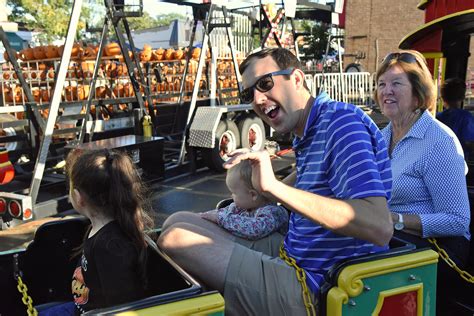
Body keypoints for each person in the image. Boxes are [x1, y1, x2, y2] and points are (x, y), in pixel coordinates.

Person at [158, 47, 393, 315]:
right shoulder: (307, 129)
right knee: (177, 221)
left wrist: (274, 187)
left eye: (265, 83)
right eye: (250, 93)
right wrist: (256, 181)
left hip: (319, 283)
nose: (258, 99)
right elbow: (306, 186)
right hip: (294, 251)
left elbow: (379, 226)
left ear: (296, 79)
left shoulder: (342, 124)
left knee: (176, 239)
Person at [374, 50, 471, 313]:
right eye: (382, 84)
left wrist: (398, 219)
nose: (386, 91)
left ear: (418, 93)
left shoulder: (438, 141)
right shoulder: (381, 137)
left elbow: (458, 220)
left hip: (439, 251)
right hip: (394, 241)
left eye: (396, 83)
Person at [40, 148, 154, 315]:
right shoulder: (98, 228)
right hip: (81, 308)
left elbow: (121, 308)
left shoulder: (110, 246)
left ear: (78, 197)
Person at [200, 159, 288, 240]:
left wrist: (221, 219)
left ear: (253, 195)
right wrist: (208, 215)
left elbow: (254, 229)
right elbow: (224, 212)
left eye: (234, 193)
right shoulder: (243, 206)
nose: (231, 196)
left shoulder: (274, 213)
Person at [436, 77, 474, 160]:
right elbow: (468, 142)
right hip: (459, 163)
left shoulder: (436, 118)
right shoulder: (466, 117)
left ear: (442, 97)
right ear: (463, 97)